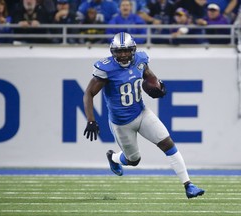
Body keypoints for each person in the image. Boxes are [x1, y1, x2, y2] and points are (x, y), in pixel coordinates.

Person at [83, 32, 205, 199]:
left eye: (126, 50)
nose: (123, 54)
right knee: (134, 160)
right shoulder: (106, 68)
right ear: (113, 52)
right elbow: (89, 93)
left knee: (167, 143)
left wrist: (158, 85)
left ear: (133, 49)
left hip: (142, 112)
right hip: (121, 123)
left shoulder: (141, 60)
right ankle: (113, 157)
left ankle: (188, 185)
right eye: (119, 51)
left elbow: (149, 75)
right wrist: (91, 120)